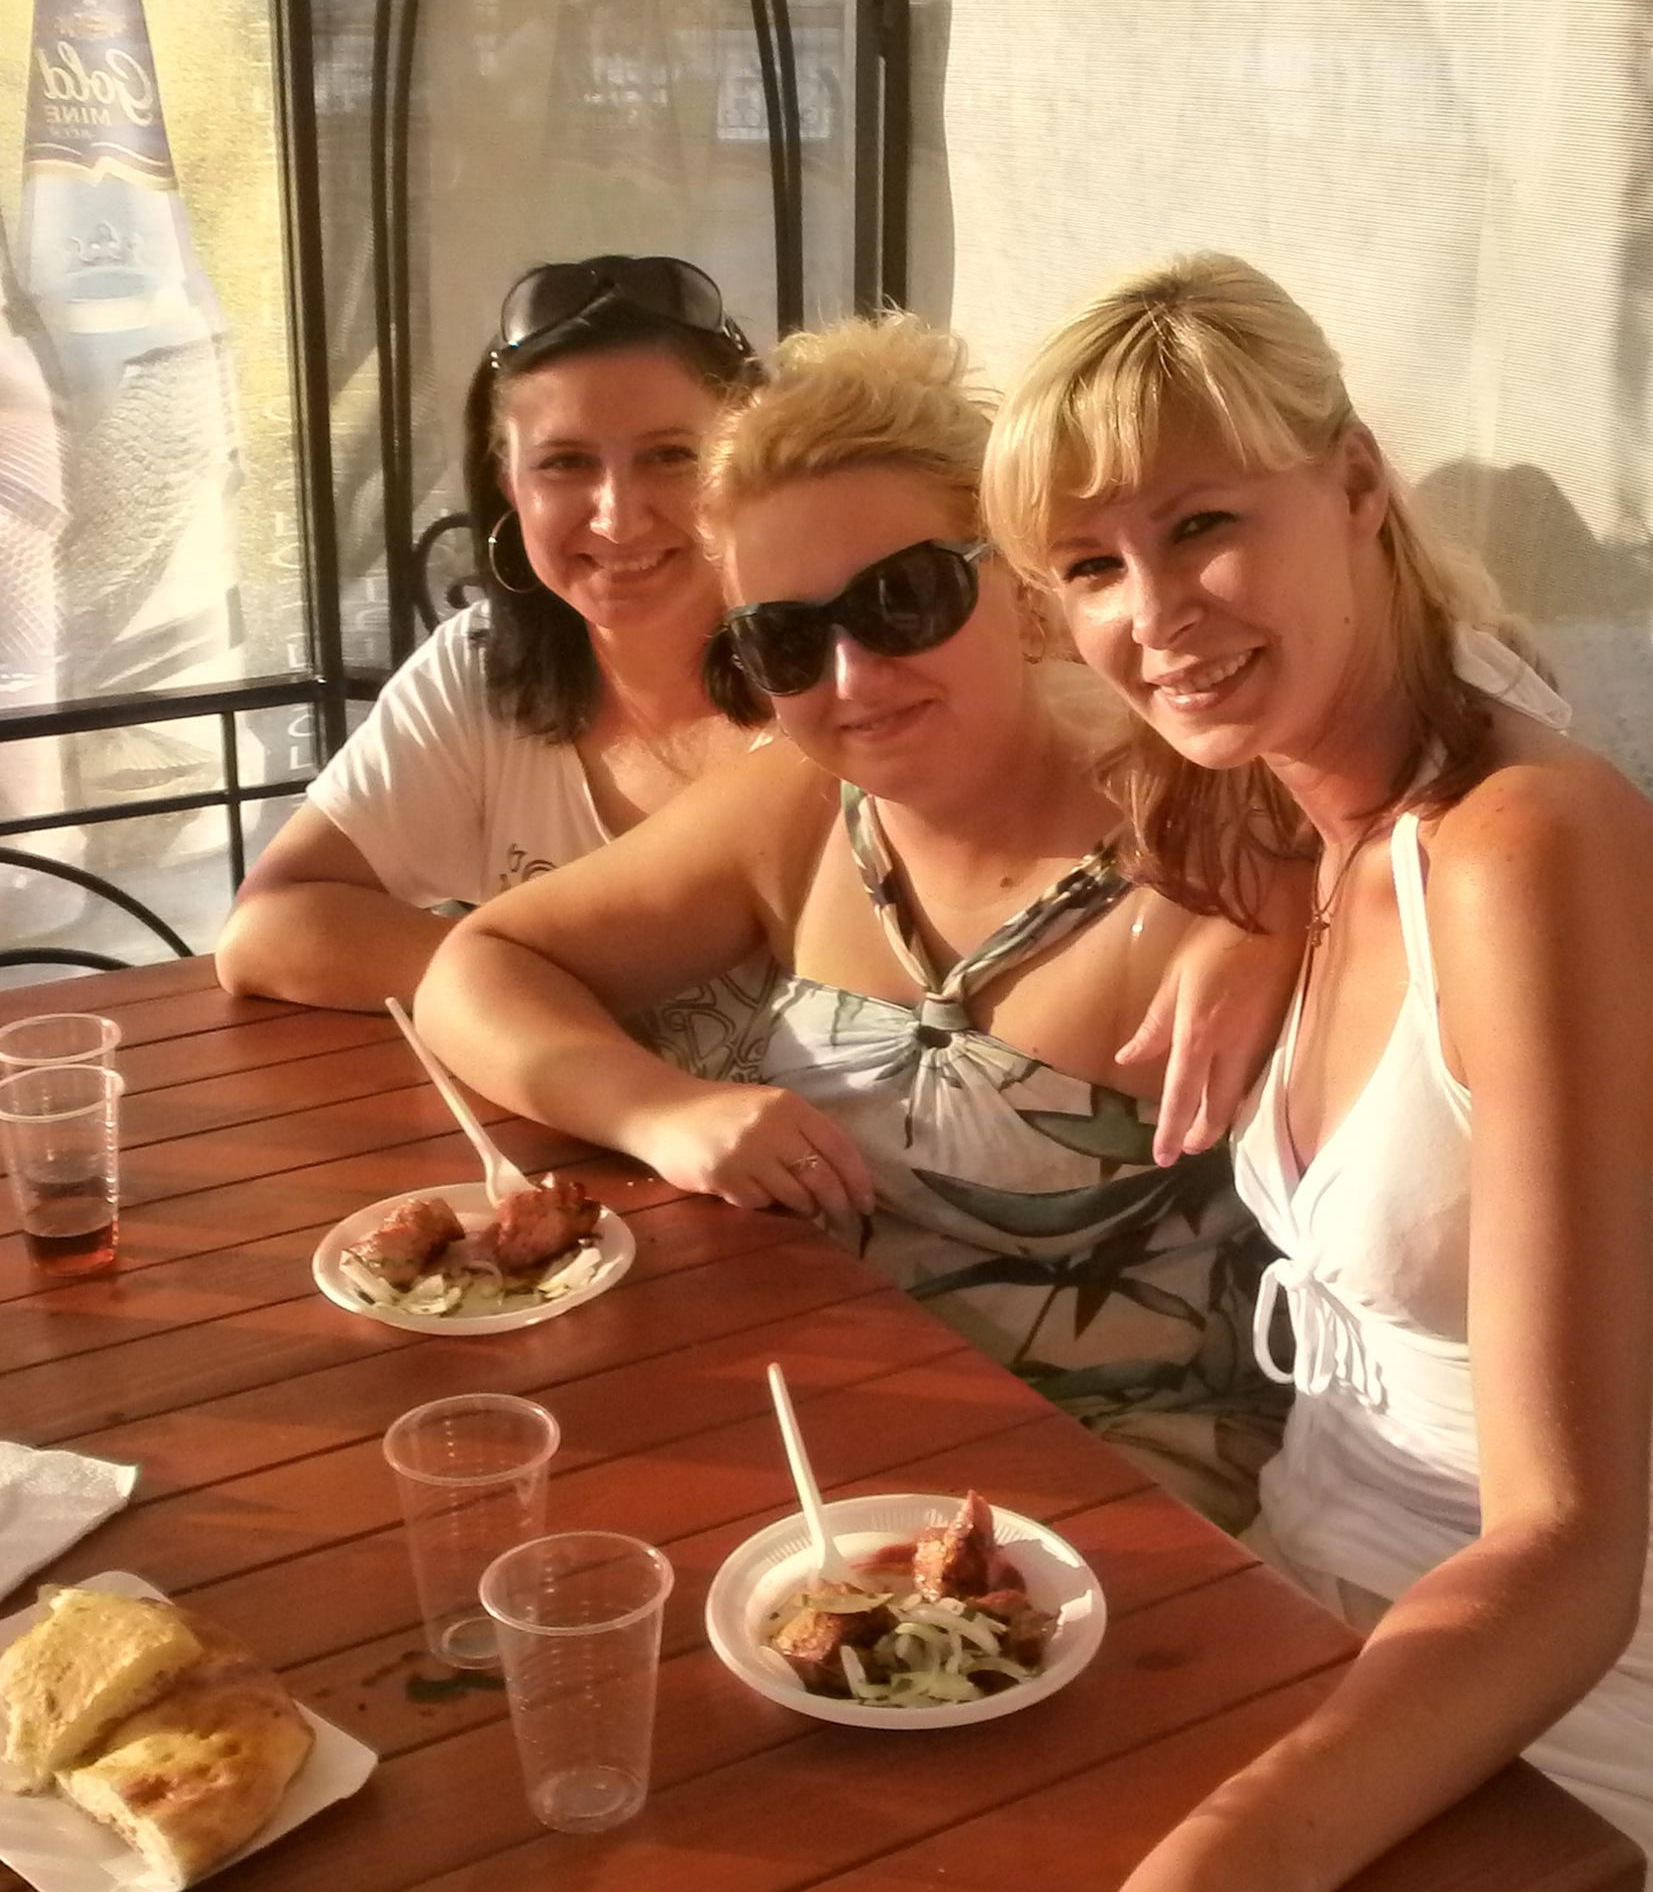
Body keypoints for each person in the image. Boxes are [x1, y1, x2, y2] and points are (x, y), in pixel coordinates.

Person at [982, 252, 1653, 1892]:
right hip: (1325, 1613)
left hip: (1600, 1728)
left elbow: (1573, 1555)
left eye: (1201, 523)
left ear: (1359, 482)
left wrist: (1219, 1866)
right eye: (1090, 565)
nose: (1153, 612)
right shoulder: (1319, 811)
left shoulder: (1528, 859)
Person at [415, 314, 1292, 1527]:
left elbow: (1447, 690)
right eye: (782, 637)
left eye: (905, 597)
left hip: (1105, 1515)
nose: (851, 677)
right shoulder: (804, 804)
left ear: (1022, 585)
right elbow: (480, 963)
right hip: (807, 1445)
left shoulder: (1216, 824)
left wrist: (1283, 905)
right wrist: (660, 1109)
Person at [214, 256, 762, 1046]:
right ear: (509, 484)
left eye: (670, 455)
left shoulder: (845, 674)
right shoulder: (478, 669)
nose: (618, 516)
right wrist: (525, 987)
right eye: (565, 463)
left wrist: (524, 984)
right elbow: (269, 928)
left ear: (751, 460)